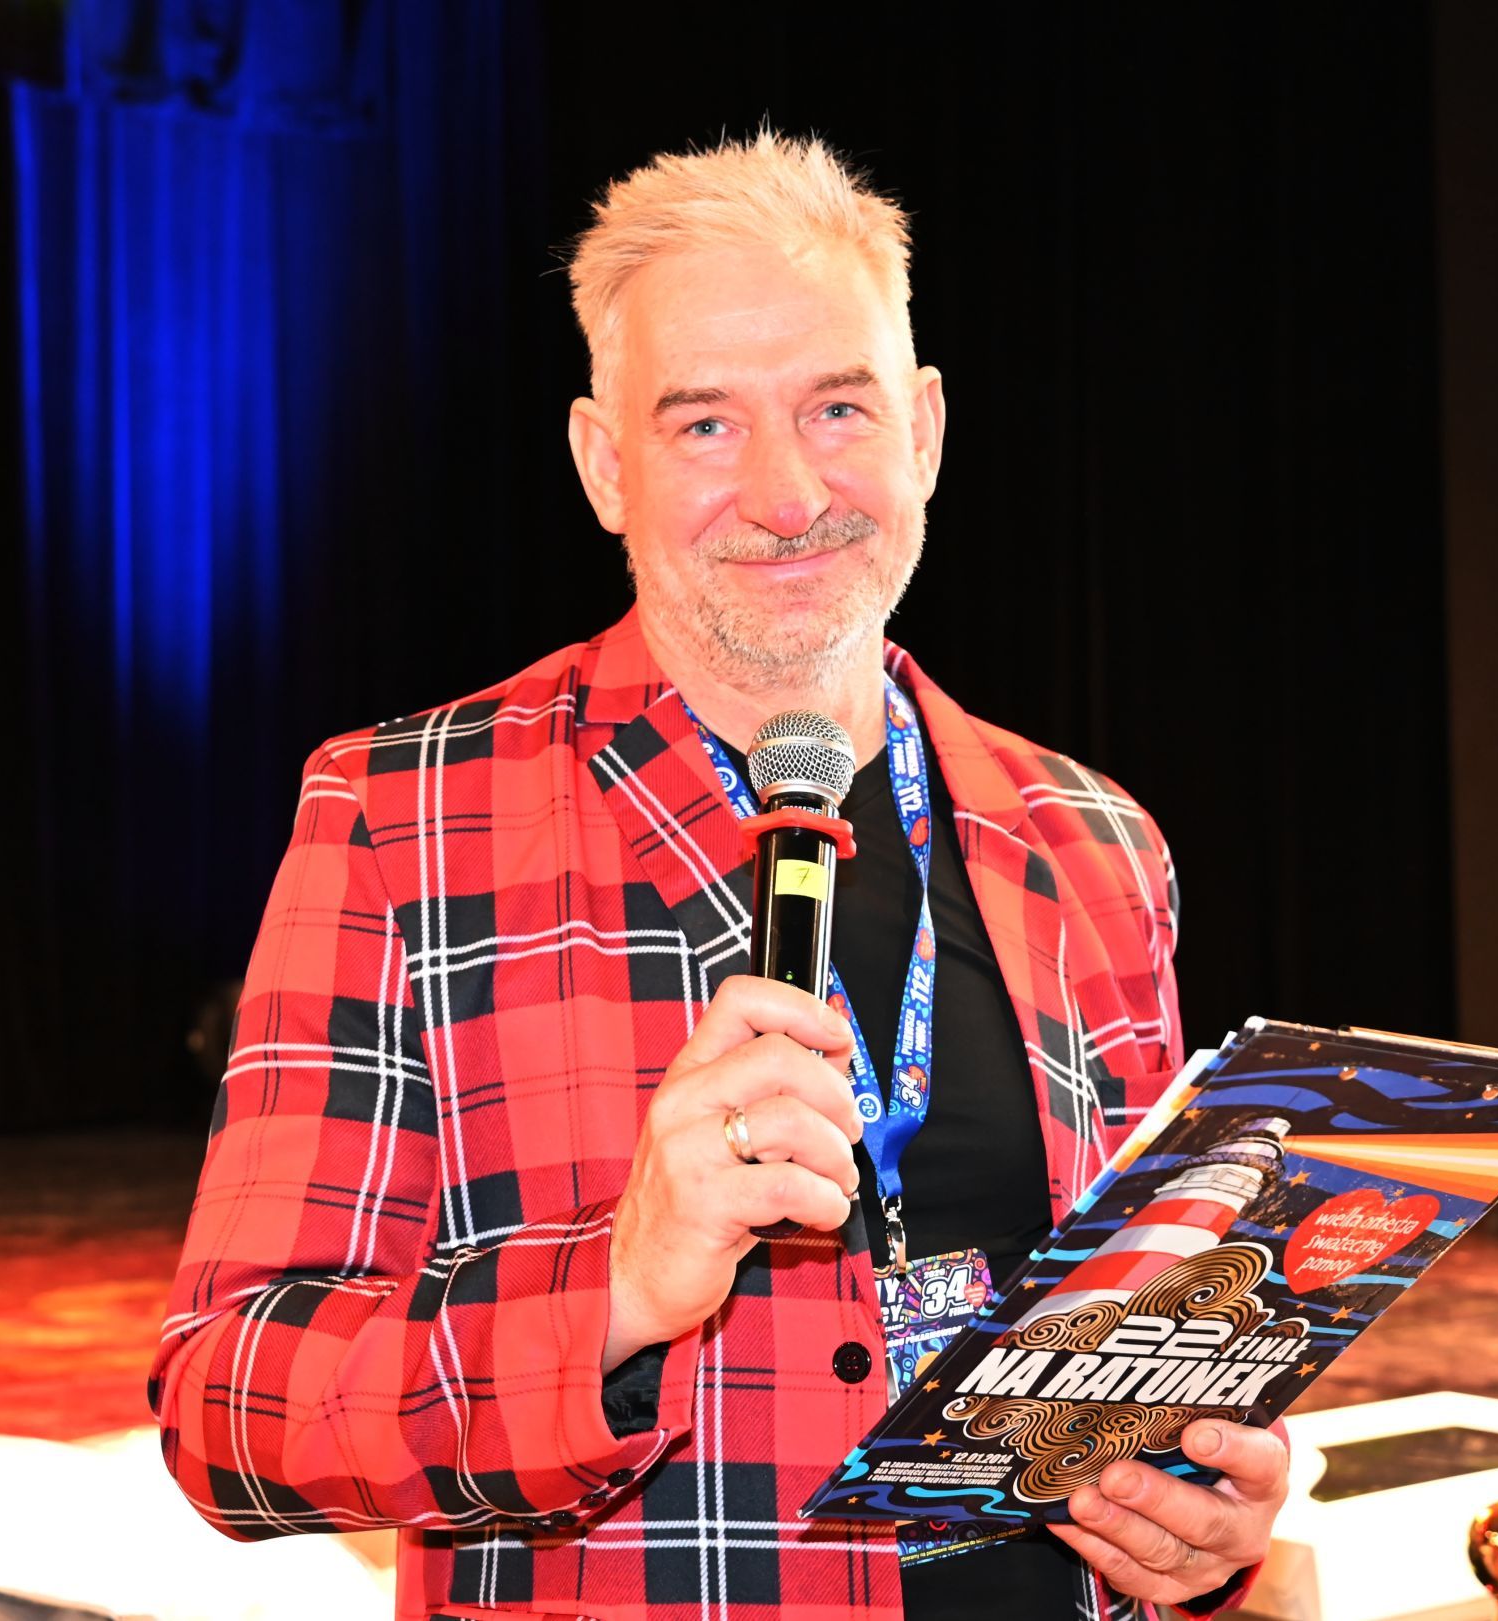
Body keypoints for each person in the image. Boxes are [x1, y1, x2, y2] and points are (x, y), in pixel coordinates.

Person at [151, 129, 1288, 1621]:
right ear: (602, 465)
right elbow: (227, 1412)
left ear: (925, 431)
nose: (787, 492)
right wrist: (616, 1295)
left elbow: (1152, 1346)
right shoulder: (402, 818)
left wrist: (1201, 1526)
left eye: (838, 407)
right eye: (704, 425)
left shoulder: (1094, 840)